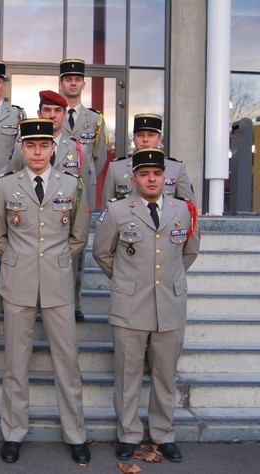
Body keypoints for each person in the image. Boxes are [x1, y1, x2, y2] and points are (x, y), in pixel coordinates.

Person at [0, 118, 91, 465]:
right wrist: (19, 260)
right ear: (21, 148)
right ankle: (14, 432)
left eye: (43, 145)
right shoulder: (6, 186)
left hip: (59, 284)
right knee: (16, 362)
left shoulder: (72, 184)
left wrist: (56, 261)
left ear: (52, 148)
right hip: (18, 283)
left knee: (67, 361)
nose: (36, 151)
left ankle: (75, 433)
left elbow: (78, 236)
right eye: (29, 145)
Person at [92, 147, 200, 464]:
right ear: (133, 178)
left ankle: (163, 434)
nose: (151, 179)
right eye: (144, 174)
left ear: (165, 178)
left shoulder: (183, 210)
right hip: (130, 305)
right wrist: (126, 280)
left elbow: (190, 251)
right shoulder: (117, 211)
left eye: (156, 173)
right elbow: (102, 252)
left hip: (170, 302)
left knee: (165, 376)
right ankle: (129, 434)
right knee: (128, 376)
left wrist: (169, 279)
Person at [59, 58, 108, 322]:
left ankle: (74, 303)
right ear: (61, 83)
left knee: (77, 248)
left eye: (77, 79)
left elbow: (97, 160)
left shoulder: (95, 119)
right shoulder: (51, 113)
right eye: (68, 79)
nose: (73, 82)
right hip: (53, 192)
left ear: (83, 84)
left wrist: (84, 179)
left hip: (80, 193)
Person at [101, 113, 195, 204]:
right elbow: (107, 210)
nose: (145, 139)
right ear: (134, 139)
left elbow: (188, 209)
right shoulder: (116, 168)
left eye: (151, 135)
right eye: (140, 135)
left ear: (159, 140)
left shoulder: (177, 169)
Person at [7, 90, 81, 174]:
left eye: (57, 110)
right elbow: (12, 181)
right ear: (39, 114)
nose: (52, 115)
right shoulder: (21, 147)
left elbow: (84, 183)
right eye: (47, 110)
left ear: (64, 114)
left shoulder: (77, 149)